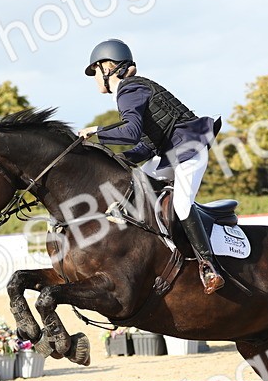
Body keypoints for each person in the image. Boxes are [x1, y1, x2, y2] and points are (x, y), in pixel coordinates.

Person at [77, 38, 225, 294]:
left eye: (95, 72)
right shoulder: (132, 91)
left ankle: (208, 266)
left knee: (181, 205)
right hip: (169, 154)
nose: (94, 79)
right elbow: (144, 145)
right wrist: (116, 160)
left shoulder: (129, 90)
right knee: (133, 183)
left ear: (108, 67)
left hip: (190, 151)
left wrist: (96, 131)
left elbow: (131, 132)